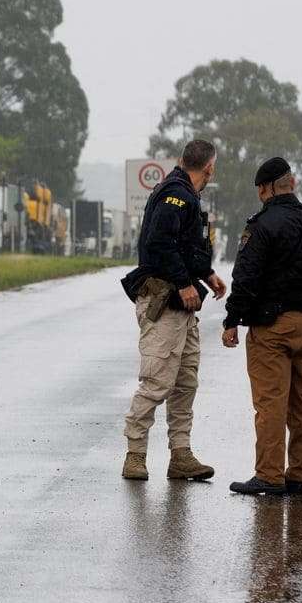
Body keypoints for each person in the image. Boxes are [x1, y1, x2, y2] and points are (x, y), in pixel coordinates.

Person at [222, 157, 302, 496]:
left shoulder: (261, 225)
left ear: (263, 189)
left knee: (270, 401)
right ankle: (300, 473)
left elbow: (246, 276)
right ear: (293, 184)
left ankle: (269, 475)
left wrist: (232, 319)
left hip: (270, 326)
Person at [119, 139, 227, 481]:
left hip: (182, 306)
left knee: (185, 383)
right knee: (156, 381)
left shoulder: (188, 195)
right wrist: (183, 282)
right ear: (209, 167)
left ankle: (181, 454)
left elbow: (186, 246)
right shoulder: (175, 194)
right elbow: (159, 242)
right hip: (165, 300)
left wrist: (206, 274)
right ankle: (134, 455)